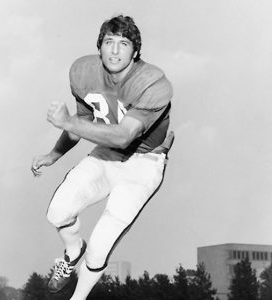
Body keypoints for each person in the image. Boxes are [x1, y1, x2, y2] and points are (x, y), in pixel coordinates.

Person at [31, 15, 174, 300]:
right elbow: (85, 122)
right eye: (109, 41)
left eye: (124, 43)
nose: (115, 50)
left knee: (100, 245)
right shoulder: (83, 72)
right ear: (99, 47)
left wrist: (68, 123)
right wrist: (54, 154)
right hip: (105, 155)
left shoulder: (153, 82)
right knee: (57, 212)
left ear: (135, 51)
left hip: (142, 164)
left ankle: (78, 297)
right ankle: (73, 252)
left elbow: (123, 135)